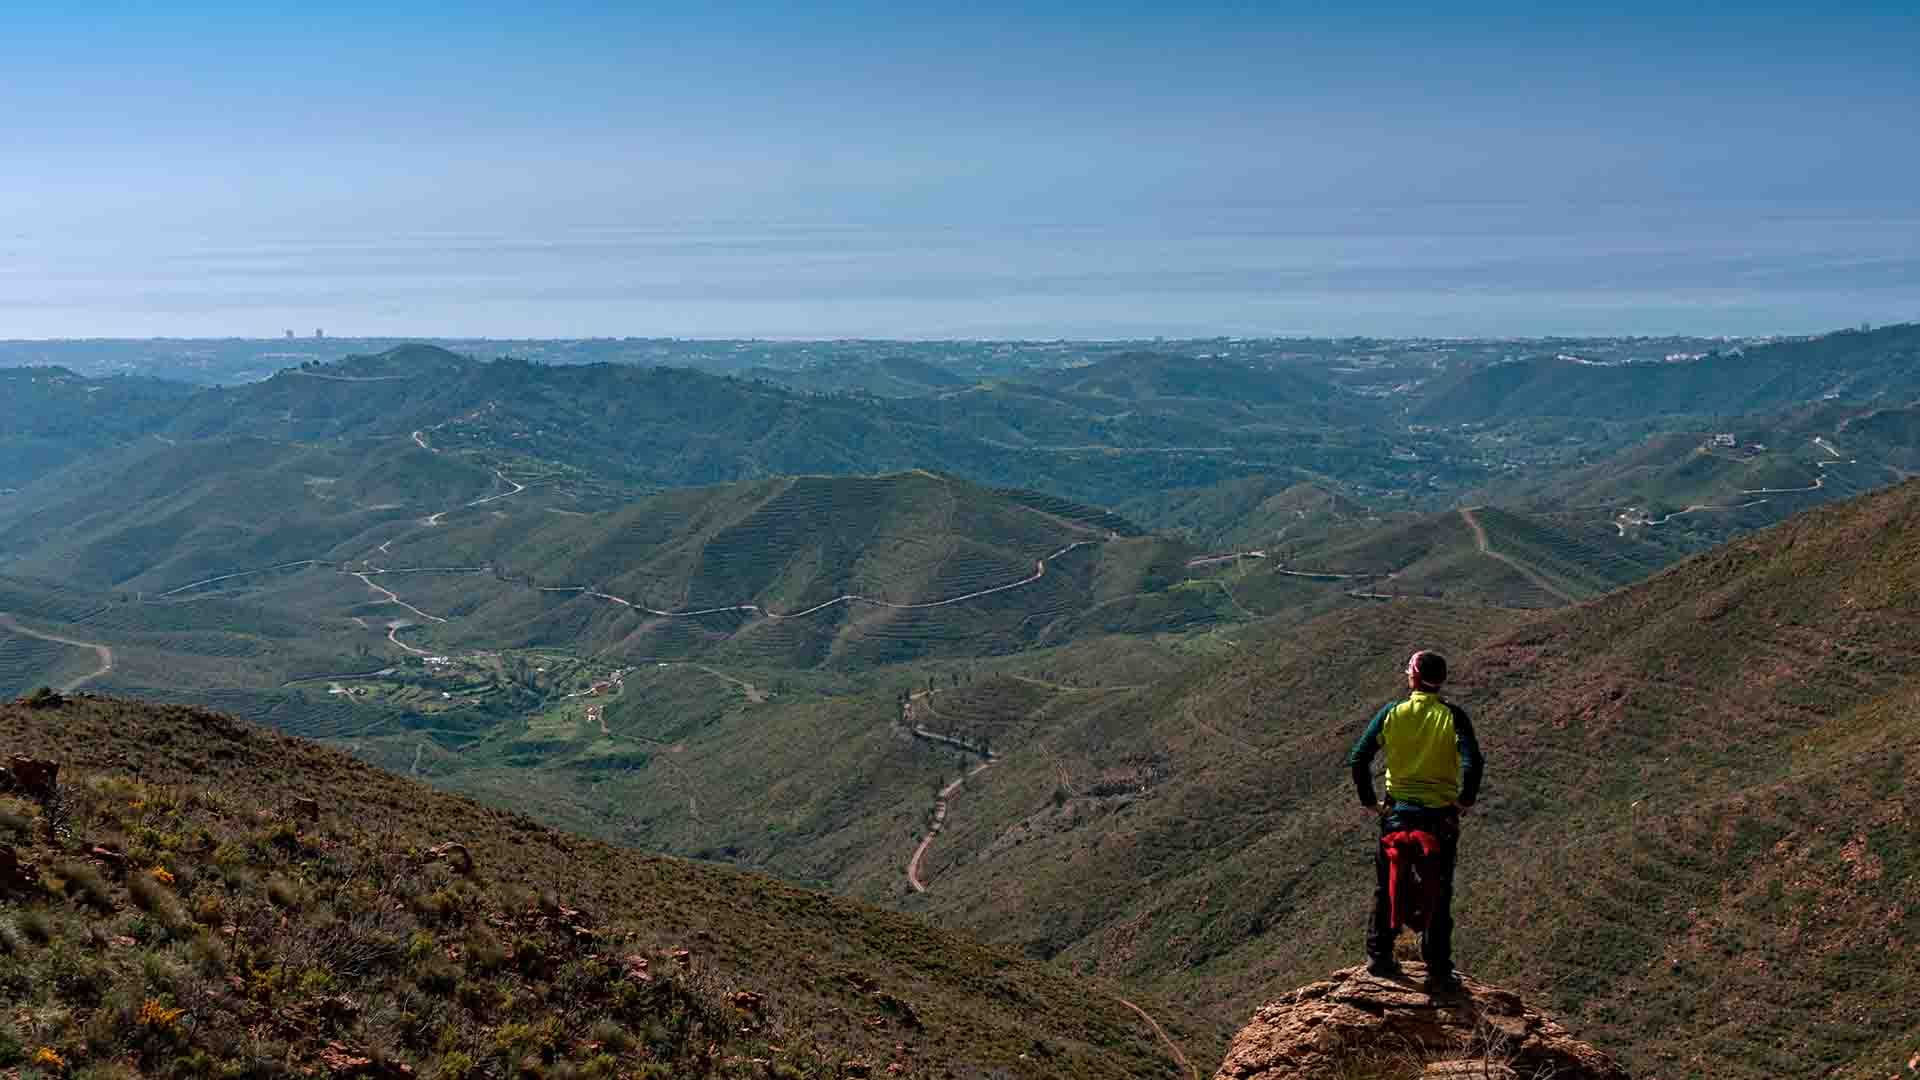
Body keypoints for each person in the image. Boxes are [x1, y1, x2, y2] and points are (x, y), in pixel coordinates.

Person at [1346, 649, 1483, 993]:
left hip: (1397, 815)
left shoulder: (1393, 713)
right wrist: (1464, 801)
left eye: (1409, 668)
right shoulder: (1453, 717)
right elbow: (1473, 763)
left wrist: (1369, 802)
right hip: (1440, 820)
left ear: (1415, 677)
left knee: (1387, 884)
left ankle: (1379, 956)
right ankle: (1437, 968)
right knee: (1439, 888)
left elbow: (1359, 759)